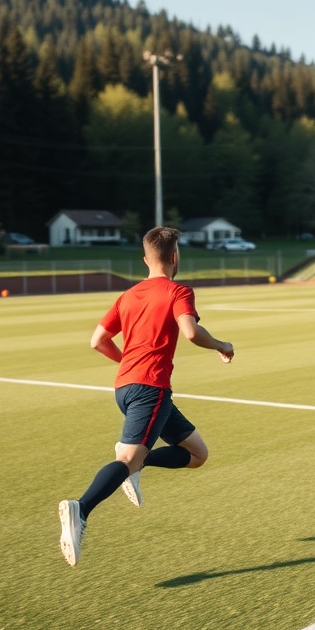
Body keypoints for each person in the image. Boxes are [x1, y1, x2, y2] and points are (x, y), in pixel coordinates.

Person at [59, 227, 234, 567]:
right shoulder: (178, 290)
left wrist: (127, 360)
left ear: (145, 259)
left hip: (127, 388)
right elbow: (191, 332)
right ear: (175, 257)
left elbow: (98, 340)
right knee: (126, 460)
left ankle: (139, 466)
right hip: (149, 390)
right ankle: (81, 509)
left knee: (198, 454)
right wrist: (222, 345)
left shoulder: (128, 295)